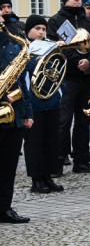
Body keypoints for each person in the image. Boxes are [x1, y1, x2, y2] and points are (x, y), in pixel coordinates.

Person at [47, 0, 90, 173]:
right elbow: (60, 47)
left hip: (86, 77)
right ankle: (58, 160)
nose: (77, 0)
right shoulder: (57, 21)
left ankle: (82, 160)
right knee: (63, 121)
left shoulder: (88, 21)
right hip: (67, 77)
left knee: (84, 119)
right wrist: (79, 62)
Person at [22, 15, 64, 194]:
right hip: (34, 102)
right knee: (34, 142)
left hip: (51, 99)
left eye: (43, 29)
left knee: (51, 139)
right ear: (28, 31)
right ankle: (36, 179)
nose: (41, 32)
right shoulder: (24, 49)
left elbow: (59, 70)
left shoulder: (50, 47)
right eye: (37, 29)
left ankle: (48, 175)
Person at [0, 13, 32, 226]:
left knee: (9, 165)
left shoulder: (12, 44)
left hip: (14, 112)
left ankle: (5, 207)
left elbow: (21, 81)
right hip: (4, 103)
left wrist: (27, 112)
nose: (3, 22)